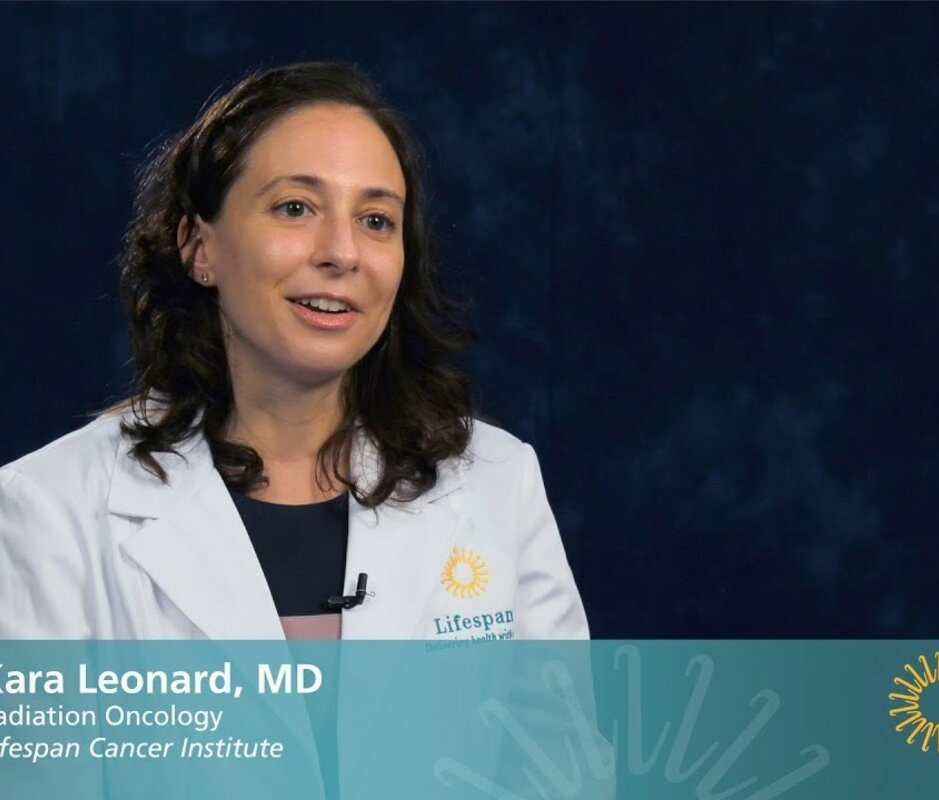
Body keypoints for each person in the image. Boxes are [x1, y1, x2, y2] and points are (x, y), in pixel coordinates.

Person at [0, 62, 588, 641]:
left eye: (376, 220)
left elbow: (555, 710)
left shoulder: (500, 482)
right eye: (295, 208)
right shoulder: (46, 509)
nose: (343, 253)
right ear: (199, 248)